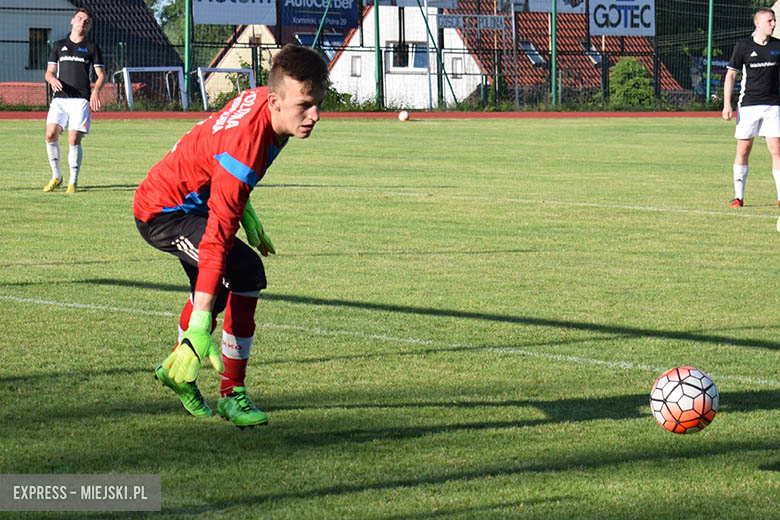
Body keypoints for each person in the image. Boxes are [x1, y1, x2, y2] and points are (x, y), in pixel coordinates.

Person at [134, 44, 329, 428]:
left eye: (319, 104)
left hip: (193, 203)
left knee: (221, 288)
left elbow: (216, 155)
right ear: (275, 101)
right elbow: (216, 239)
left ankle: (177, 373)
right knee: (244, 272)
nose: (315, 116)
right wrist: (199, 327)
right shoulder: (246, 145)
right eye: (305, 105)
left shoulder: (264, 102)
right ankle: (231, 393)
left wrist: (247, 212)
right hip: (164, 213)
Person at [722, 7, 780, 208]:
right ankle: (738, 197)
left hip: (773, 106)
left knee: (776, 150)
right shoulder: (743, 46)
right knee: (744, 149)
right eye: (770, 21)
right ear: (758, 23)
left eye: (774, 20)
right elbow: (731, 75)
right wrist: (727, 104)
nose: (773, 24)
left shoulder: (778, 46)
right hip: (748, 106)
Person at [43, 7, 105, 194]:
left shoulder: (92, 47)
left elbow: (101, 75)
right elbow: (49, 72)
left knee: (73, 138)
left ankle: (72, 181)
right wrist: (52, 80)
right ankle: (56, 176)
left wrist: (95, 92)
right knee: (50, 134)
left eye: (87, 22)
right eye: (80, 19)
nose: (82, 23)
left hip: (81, 99)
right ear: (72, 21)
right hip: (60, 99)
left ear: (89, 26)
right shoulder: (58, 45)